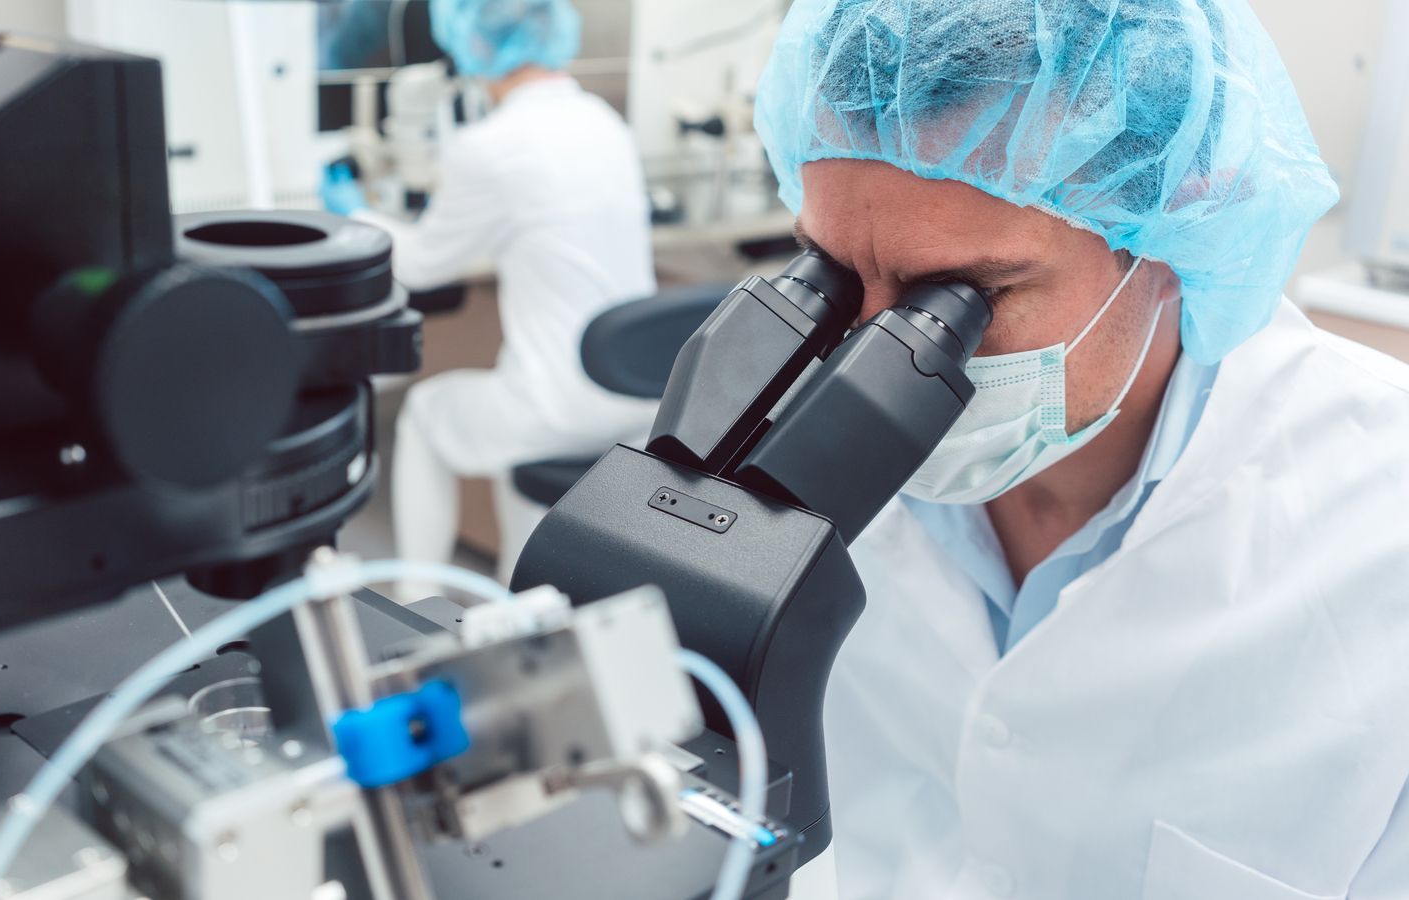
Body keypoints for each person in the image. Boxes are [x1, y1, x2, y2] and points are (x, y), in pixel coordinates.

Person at [751, 1, 1409, 897]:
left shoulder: (1384, 526)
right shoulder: (774, 449)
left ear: (1176, 223)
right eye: (835, 278)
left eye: (961, 297)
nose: (874, 362)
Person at [362, 0, 658, 593]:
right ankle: (518, 594)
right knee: (506, 389)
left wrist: (360, 217)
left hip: (559, 409)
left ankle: (417, 602)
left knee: (422, 415)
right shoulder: (604, 121)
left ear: (471, 40)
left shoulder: (491, 145)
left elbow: (420, 264)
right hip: (644, 398)